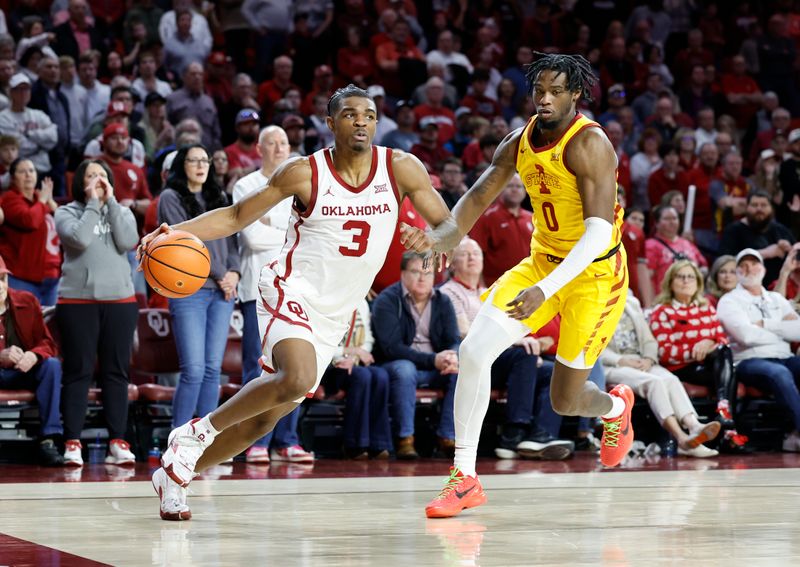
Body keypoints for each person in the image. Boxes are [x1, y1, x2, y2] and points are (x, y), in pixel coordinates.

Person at [140, 85, 454, 521]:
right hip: (289, 289)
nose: (361, 121)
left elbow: (446, 223)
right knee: (296, 377)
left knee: (263, 421)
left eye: (368, 114)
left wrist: (434, 238)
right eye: (350, 114)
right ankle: (194, 434)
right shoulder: (303, 172)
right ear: (330, 123)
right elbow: (234, 218)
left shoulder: (401, 167)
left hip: (334, 311)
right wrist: (174, 232)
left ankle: (175, 476)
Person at [400, 53, 635, 519]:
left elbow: (597, 234)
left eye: (555, 91)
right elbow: (481, 193)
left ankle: (614, 408)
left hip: (595, 275)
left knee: (565, 399)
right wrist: (441, 236)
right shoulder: (519, 140)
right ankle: (464, 477)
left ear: (575, 95)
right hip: (541, 262)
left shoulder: (591, 145)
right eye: (539, 90)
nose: (544, 99)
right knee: (473, 352)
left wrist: (547, 290)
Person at [439, 238, 574, 460]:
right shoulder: (448, 292)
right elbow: (466, 333)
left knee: (550, 371)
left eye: (476, 253)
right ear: (452, 262)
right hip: (470, 357)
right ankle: (513, 434)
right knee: (524, 354)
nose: (472, 257)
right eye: (465, 253)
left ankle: (541, 436)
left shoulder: (490, 291)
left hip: (499, 357)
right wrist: (516, 342)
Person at [231, 126, 313, 465]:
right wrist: (286, 231)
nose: (280, 148)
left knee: (296, 368)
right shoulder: (246, 185)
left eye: (284, 143)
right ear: (259, 148)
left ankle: (288, 441)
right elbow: (250, 237)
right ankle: (256, 441)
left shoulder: (301, 183)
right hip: (257, 289)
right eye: (272, 143)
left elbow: (309, 235)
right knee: (258, 366)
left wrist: (271, 226)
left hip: (296, 287)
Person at [54, 160, 139, 467]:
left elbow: (128, 241)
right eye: (91, 176)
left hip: (121, 301)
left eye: (102, 175)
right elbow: (78, 239)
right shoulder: (65, 212)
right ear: (80, 182)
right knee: (79, 372)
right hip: (77, 303)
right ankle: (72, 441)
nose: (98, 180)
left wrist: (111, 202)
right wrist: (92, 203)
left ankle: (118, 441)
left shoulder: (123, 210)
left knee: (117, 373)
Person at [157, 144, 240, 430]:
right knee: (193, 370)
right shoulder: (170, 197)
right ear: (182, 165)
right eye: (194, 160)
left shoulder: (220, 196)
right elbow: (186, 240)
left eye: (205, 160)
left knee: (212, 371)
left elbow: (231, 242)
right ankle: (177, 440)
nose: (201, 165)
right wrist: (221, 274)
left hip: (222, 292)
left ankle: (204, 442)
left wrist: (235, 273)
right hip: (188, 289)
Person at [601, 290, 721, 457]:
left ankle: (694, 426)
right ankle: (681, 438)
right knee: (654, 382)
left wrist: (649, 359)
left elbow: (649, 340)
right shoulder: (590, 304)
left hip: (640, 361)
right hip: (611, 365)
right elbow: (589, 347)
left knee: (670, 380)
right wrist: (621, 360)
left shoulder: (630, 302)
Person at [649, 260, 748, 453]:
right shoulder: (662, 311)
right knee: (730, 373)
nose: (686, 281)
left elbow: (721, 339)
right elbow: (665, 352)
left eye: (691, 277)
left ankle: (723, 410)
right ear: (671, 282)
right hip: (680, 368)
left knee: (724, 353)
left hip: (709, 366)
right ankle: (728, 429)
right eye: (680, 276)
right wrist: (697, 349)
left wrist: (709, 344)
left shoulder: (706, 308)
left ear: (698, 283)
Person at [372, 251, 460, 459]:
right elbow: (391, 347)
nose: (422, 278)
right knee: (405, 369)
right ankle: (405, 439)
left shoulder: (443, 301)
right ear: (403, 273)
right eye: (415, 271)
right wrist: (434, 360)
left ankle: (448, 437)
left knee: (460, 370)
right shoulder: (387, 300)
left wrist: (452, 356)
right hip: (397, 364)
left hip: (437, 367)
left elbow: (453, 339)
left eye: (428, 273)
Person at [716, 248, 800, 452]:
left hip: (784, 356)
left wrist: (765, 324)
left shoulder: (776, 299)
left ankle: (793, 435)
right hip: (749, 360)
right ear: (737, 272)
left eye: (754, 264)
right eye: (743, 266)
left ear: (763, 269)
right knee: (779, 373)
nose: (749, 269)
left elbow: (798, 332)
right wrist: (782, 329)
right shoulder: (729, 301)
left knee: (787, 368)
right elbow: (746, 336)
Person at [0, 254, 64, 466]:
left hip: (21, 372)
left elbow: (48, 343)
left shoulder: (27, 300)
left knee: (51, 366)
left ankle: (48, 439)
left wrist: (34, 355)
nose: (1, 286)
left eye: (3, 279)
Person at [322, 296, 392, 459]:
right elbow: (320, 342)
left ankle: (379, 443)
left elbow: (367, 339)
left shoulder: (361, 301)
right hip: (329, 365)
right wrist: (347, 353)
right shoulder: (326, 299)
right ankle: (355, 444)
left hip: (353, 361)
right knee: (362, 376)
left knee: (381, 375)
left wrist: (355, 357)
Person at [0, 159, 60, 306]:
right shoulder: (9, 199)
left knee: (50, 326)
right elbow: (29, 220)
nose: (28, 175)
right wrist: (43, 201)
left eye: (32, 171)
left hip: (52, 276)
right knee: (23, 326)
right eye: (22, 171)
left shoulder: (41, 198)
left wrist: (50, 201)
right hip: (22, 277)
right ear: (13, 177)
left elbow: (64, 224)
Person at [719, 190, 795, 287]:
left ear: (771, 208)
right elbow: (724, 262)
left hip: (779, 287)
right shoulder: (733, 231)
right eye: (754, 205)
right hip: (743, 287)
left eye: (763, 205)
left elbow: (796, 257)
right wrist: (765, 253)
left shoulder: (781, 230)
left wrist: (790, 250)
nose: (759, 209)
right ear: (746, 207)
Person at [469, 174, 533, 287]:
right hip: (493, 286)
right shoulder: (486, 217)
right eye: (510, 186)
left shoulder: (531, 218)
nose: (514, 189)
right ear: (500, 189)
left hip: (524, 284)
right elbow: (476, 254)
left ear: (525, 191)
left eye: (519, 186)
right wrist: (480, 287)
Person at [645, 205, 707, 292]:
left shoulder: (686, 243)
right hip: (664, 298)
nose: (672, 222)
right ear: (657, 223)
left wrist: (696, 276)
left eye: (674, 218)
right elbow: (646, 277)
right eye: (667, 219)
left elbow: (704, 266)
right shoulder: (650, 245)